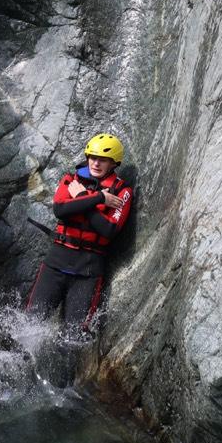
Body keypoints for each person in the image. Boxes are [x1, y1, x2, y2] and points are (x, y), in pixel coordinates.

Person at [25, 132, 134, 333]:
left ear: (114, 163)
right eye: (93, 158)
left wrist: (82, 198)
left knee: (74, 335)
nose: (96, 163)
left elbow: (108, 229)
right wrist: (98, 199)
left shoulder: (122, 191)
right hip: (55, 263)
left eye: (103, 160)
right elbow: (60, 209)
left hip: (88, 271)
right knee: (31, 324)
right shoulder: (70, 180)